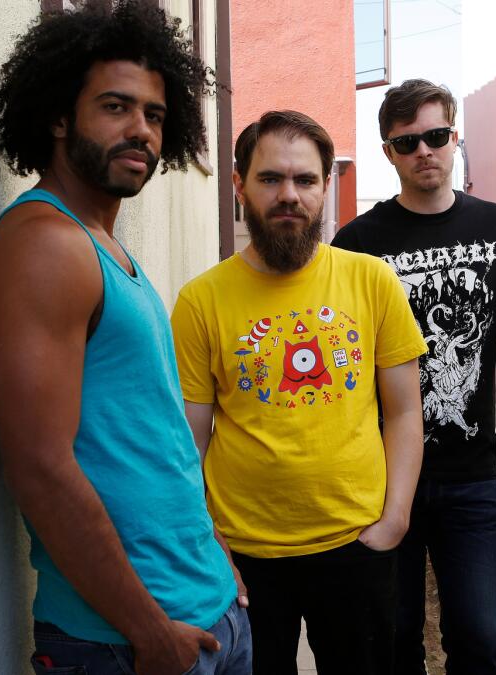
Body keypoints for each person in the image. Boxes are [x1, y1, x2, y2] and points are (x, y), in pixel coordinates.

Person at [0, 3, 249, 673]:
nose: (141, 131)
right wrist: (149, 631)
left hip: (207, 612)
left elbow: (151, 432)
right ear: (60, 117)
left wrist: (217, 556)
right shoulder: (45, 246)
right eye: (116, 107)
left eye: (155, 115)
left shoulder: (104, 248)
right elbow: (39, 467)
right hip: (126, 642)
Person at [331, 79, 496, 674]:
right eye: (407, 142)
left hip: (470, 476)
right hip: (381, 478)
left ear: (454, 138)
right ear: (388, 151)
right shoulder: (358, 243)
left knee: (480, 637)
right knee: (393, 639)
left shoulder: (495, 226)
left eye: (437, 136)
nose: (425, 151)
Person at [170, 110, 427, 675]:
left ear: (325, 186)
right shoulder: (200, 301)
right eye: (270, 179)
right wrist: (205, 540)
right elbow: (189, 436)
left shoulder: (372, 281)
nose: (289, 195)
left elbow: (405, 412)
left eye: (305, 180)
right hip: (244, 558)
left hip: (356, 543)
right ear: (239, 184)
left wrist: (396, 519)